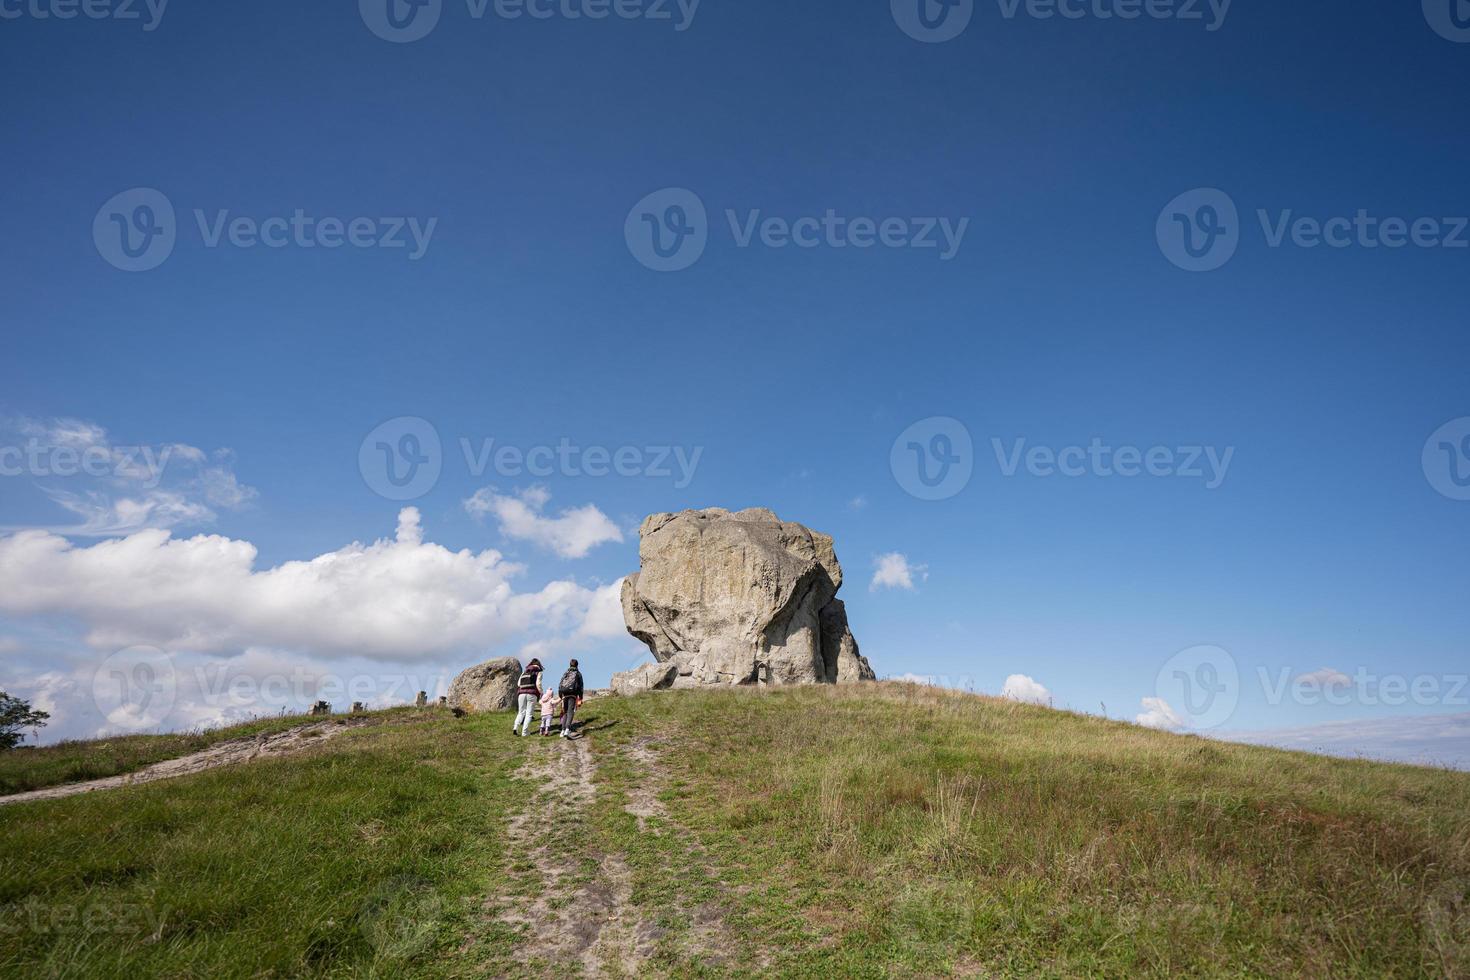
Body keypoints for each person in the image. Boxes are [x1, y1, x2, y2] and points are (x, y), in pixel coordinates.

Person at [513, 658, 543, 737]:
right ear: (539, 665)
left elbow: (519, 684)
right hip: (532, 694)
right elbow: (538, 684)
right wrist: (541, 692)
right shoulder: (538, 672)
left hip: (521, 694)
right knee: (529, 714)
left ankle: (515, 727)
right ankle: (525, 732)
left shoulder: (524, 671)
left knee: (521, 712)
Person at [557, 659, 584, 738]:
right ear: (577, 665)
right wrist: (580, 697)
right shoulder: (578, 674)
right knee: (570, 712)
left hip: (564, 694)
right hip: (572, 694)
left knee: (565, 712)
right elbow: (581, 686)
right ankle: (567, 729)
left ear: (570, 665)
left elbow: (560, 683)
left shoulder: (566, 672)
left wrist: (560, 695)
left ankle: (562, 730)